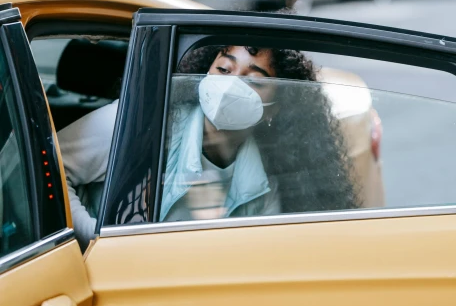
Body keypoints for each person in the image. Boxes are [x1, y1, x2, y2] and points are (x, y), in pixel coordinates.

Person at [58, 44, 358, 249]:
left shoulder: (266, 181)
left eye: (253, 81)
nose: (230, 86)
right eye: (224, 70)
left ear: (273, 109)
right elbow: (49, 167)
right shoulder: (141, 125)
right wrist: (97, 239)